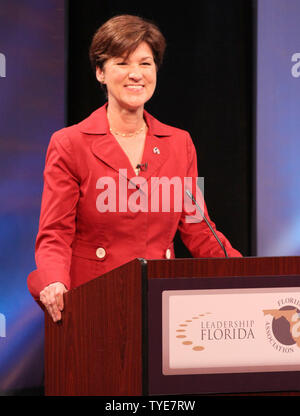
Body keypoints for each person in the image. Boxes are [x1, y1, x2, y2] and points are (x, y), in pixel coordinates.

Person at [27, 14, 242, 322]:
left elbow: (198, 227)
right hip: (93, 303)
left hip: (162, 304)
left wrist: (244, 273)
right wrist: (54, 281)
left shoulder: (179, 144)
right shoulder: (70, 144)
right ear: (101, 72)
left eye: (145, 63)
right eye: (122, 63)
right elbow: (55, 234)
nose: (136, 74)